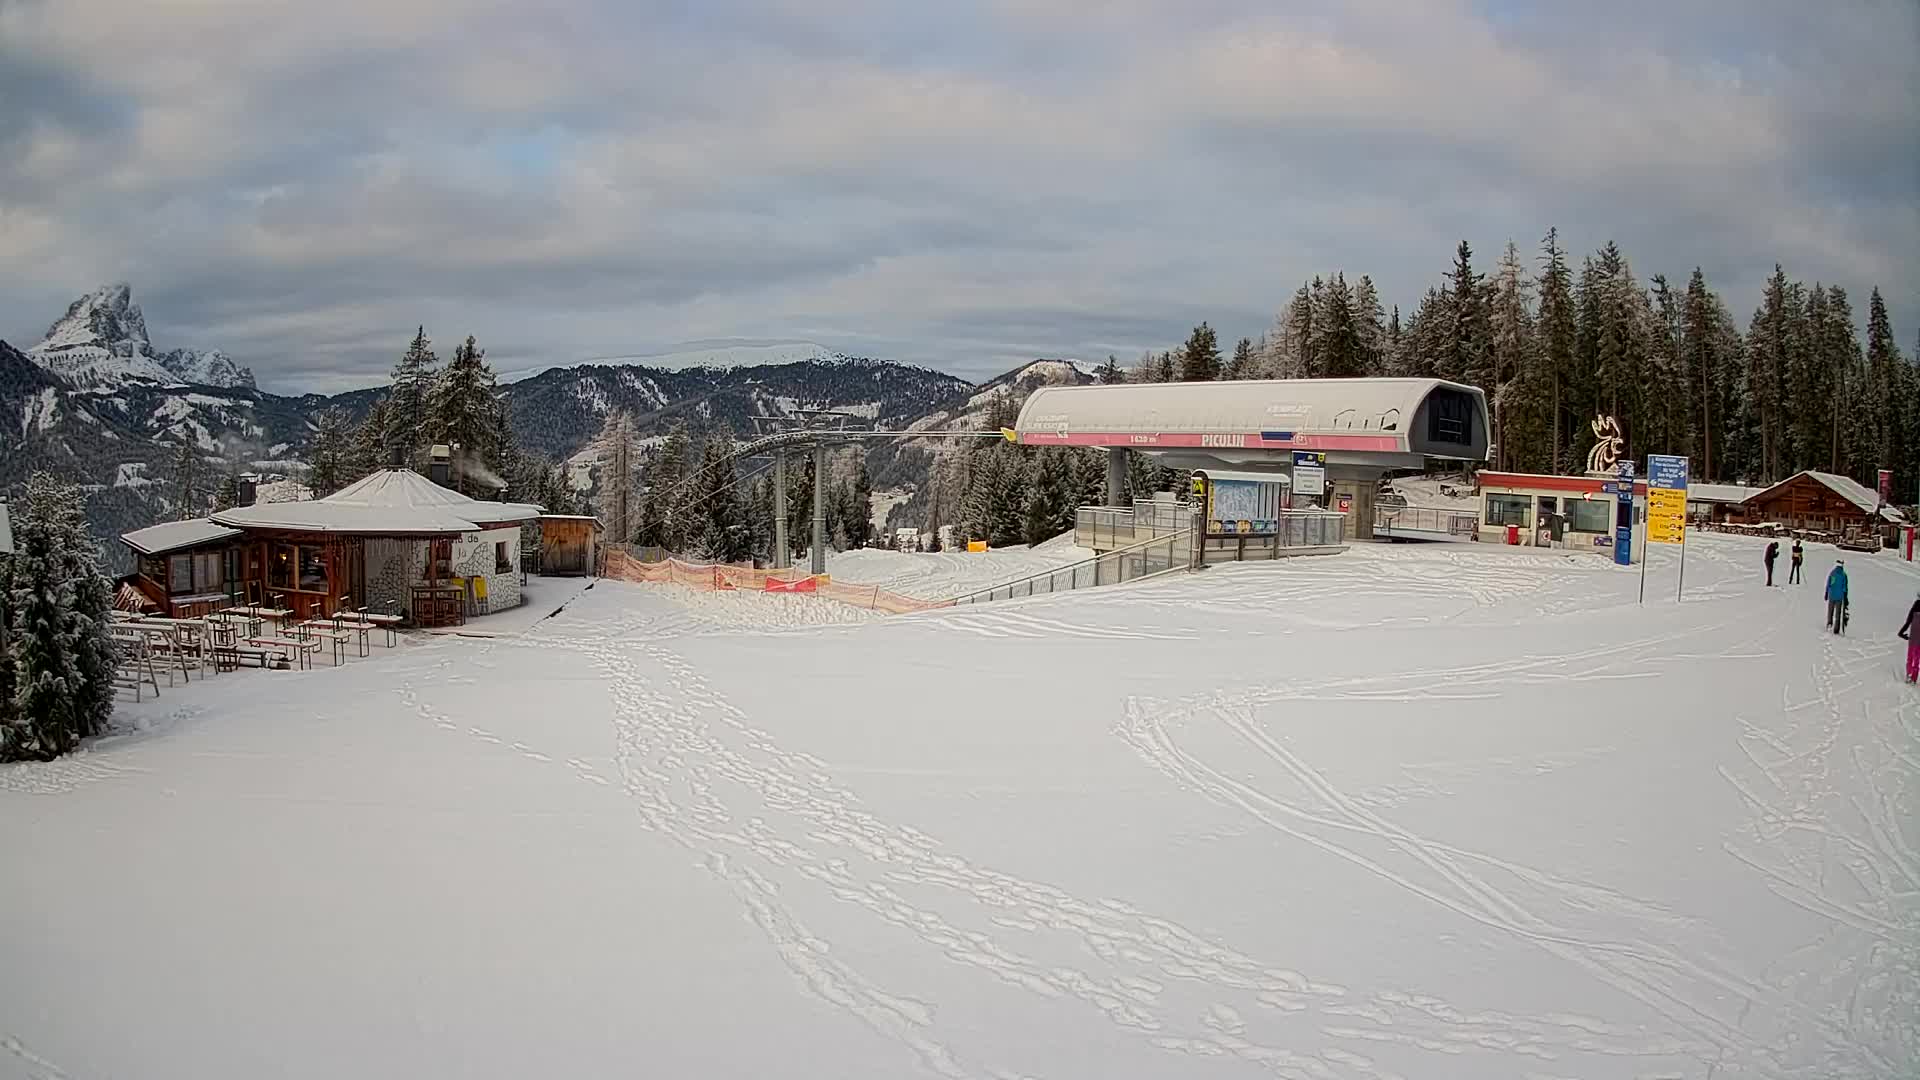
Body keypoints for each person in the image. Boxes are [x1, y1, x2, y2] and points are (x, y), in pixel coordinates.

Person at [1900, 591, 1920, 683]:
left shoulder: (1915, 605)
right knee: (1916, 658)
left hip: (1913, 636)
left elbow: (1908, 621)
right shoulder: (1916, 605)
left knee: (1910, 657)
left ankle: (1909, 675)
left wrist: (1901, 632)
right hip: (1917, 638)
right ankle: (1913, 678)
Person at [1824, 560, 1849, 634]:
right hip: (1839, 597)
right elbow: (1845, 587)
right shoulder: (1844, 575)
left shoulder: (1832, 573)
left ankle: (1829, 623)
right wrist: (1845, 596)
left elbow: (1829, 584)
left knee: (1830, 610)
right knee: (1838, 613)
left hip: (1832, 595)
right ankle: (1836, 629)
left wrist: (1826, 593)